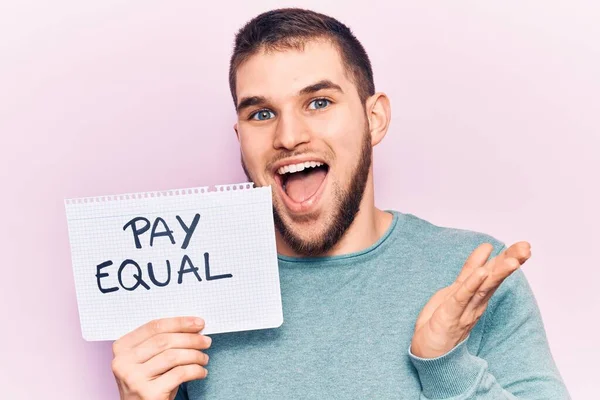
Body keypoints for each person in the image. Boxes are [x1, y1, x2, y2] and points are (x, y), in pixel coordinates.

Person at [110, 8, 570, 399]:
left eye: (319, 102)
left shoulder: (473, 275)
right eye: (261, 114)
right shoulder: (186, 288)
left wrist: (446, 366)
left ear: (375, 119)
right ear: (241, 138)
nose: (288, 136)